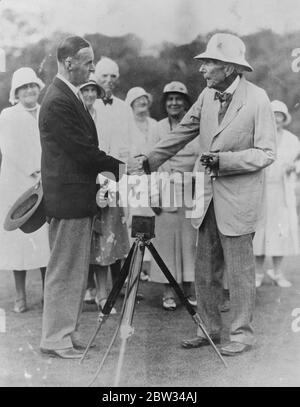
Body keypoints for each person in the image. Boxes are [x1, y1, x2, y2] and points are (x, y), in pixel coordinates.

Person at [133, 33, 276, 356]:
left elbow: (267, 153)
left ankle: (241, 334)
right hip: (206, 196)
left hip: (239, 200)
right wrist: (150, 159)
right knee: (205, 268)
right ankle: (209, 329)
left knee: (239, 272)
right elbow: (183, 131)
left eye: (209, 63)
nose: (202, 70)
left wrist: (225, 162)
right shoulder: (206, 96)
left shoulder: (258, 99)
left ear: (228, 67)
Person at [38, 36, 128, 359]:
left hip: (77, 198)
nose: (92, 67)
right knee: (65, 269)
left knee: (75, 270)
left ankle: (65, 332)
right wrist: (122, 167)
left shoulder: (67, 95)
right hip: (68, 201)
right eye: (88, 62)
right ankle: (55, 338)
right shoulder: (59, 100)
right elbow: (83, 152)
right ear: (68, 63)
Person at [93, 57, 144, 300]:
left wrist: (129, 165)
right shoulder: (90, 105)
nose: (109, 81)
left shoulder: (124, 107)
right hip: (97, 177)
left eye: (113, 76)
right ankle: (100, 292)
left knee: (119, 230)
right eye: (104, 76)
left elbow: (132, 142)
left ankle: (117, 288)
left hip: (120, 177)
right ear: (95, 77)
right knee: (101, 233)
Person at [0, 67, 50, 313]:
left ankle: (46, 293)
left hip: (46, 182)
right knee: (20, 241)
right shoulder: (8, 115)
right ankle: (20, 296)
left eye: (33, 86)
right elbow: (10, 150)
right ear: (16, 92)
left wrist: (47, 173)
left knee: (44, 239)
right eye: (24, 87)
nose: (30, 91)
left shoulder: (47, 112)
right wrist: (35, 170)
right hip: (17, 184)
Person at [79, 76, 130, 314]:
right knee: (86, 240)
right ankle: (85, 290)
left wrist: (109, 181)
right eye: (85, 90)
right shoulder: (75, 116)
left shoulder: (106, 116)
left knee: (105, 240)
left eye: (93, 90)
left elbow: (112, 149)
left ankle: (102, 294)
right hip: (83, 184)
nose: (89, 95)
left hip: (106, 181)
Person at [147, 81, 198, 310]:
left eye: (179, 98)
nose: (174, 103)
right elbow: (150, 162)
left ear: (186, 102)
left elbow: (201, 157)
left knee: (190, 242)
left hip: (191, 188)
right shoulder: (157, 128)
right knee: (166, 243)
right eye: (170, 99)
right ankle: (168, 292)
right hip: (165, 186)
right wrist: (153, 194)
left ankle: (189, 289)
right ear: (165, 103)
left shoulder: (196, 126)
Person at [253, 100, 300, 288]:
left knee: (280, 232)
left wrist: (294, 167)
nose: (276, 119)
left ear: (284, 118)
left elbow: (298, 164)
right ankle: (257, 273)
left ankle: (277, 272)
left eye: (279, 116)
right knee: (260, 233)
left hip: (281, 192)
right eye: (273, 115)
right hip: (261, 191)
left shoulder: (292, 140)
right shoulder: (258, 138)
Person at [125, 86, 160, 281]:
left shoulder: (154, 124)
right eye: (138, 99)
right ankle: (133, 269)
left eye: (145, 99)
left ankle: (146, 267)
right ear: (130, 103)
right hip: (132, 179)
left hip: (151, 177)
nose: (142, 103)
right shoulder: (125, 125)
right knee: (133, 221)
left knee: (149, 219)